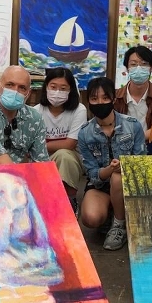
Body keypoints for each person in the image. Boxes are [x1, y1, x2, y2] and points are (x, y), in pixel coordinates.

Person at [77, 76, 145, 251]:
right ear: (88, 101)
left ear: (113, 99)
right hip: (100, 186)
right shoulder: (85, 133)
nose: (100, 102)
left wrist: (123, 168)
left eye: (105, 97)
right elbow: (92, 173)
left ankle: (119, 225)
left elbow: (141, 161)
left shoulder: (133, 125)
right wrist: (109, 169)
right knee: (91, 218)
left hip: (127, 184)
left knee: (117, 177)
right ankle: (112, 212)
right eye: (94, 98)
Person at [0, 65, 50, 165]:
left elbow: (41, 161)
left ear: (28, 94)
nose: (15, 91)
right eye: (10, 85)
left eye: (22, 88)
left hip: (19, 172)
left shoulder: (35, 117)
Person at [33, 67, 88, 207]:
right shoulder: (35, 111)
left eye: (63, 88)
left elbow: (70, 144)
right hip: (43, 158)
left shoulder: (79, 110)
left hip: (72, 158)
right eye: (53, 87)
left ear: (71, 90)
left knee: (64, 155)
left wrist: (40, 146)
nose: (57, 92)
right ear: (46, 87)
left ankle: (69, 202)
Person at [115, 45, 152, 128]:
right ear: (127, 68)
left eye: (144, 64)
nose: (138, 68)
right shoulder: (116, 96)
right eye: (133, 64)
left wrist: (143, 136)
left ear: (151, 68)